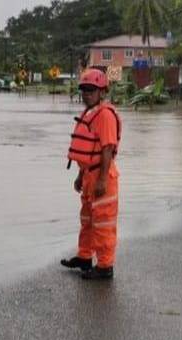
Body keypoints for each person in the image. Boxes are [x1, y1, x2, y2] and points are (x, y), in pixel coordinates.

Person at [61, 69, 122, 280]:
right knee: (87, 220)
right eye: (84, 90)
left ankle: (105, 266)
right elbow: (87, 149)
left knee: (103, 223)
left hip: (101, 177)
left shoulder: (105, 115)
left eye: (91, 90)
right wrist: (80, 175)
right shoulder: (89, 113)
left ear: (102, 91)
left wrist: (103, 179)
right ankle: (85, 257)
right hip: (88, 176)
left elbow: (107, 149)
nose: (86, 94)